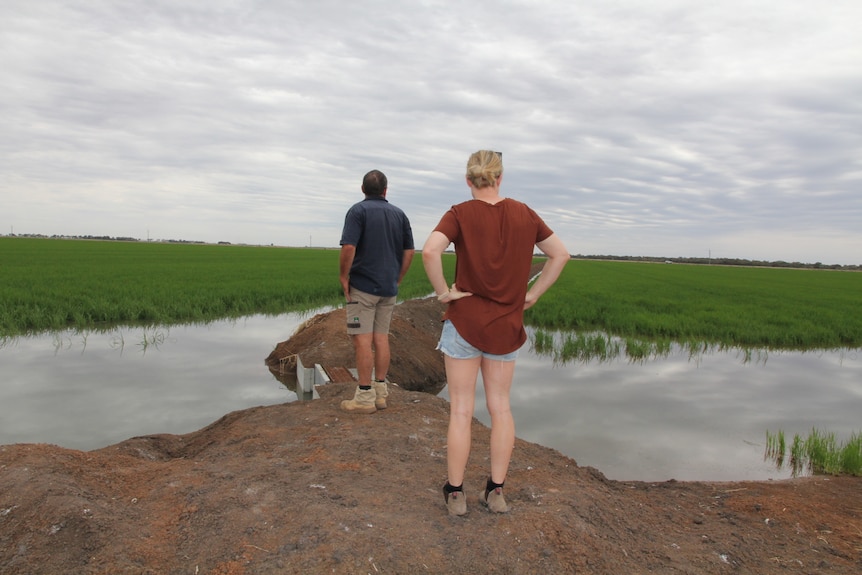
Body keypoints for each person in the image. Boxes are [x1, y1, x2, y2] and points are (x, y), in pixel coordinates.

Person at [422, 150, 570, 516]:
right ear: (500, 178)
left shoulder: (459, 212)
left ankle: (456, 495)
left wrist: (444, 293)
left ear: (468, 181)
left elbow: (429, 251)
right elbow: (560, 255)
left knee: (460, 410)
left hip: (464, 323)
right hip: (506, 325)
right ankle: (496, 491)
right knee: (500, 408)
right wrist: (531, 294)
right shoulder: (524, 213)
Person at [339, 169, 415, 414]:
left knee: (362, 340)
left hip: (362, 287)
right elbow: (409, 252)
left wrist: (343, 276)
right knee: (381, 338)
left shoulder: (357, 211)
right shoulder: (400, 214)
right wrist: (398, 278)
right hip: (388, 288)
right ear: (385, 190)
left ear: (363, 189)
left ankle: (363, 398)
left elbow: (349, 246)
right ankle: (380, 393)